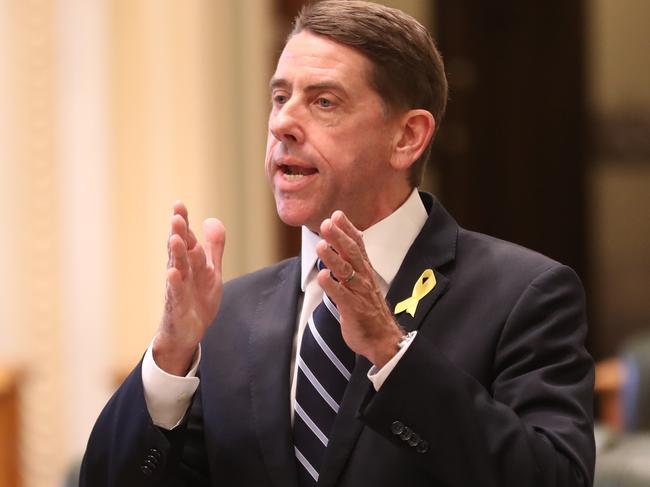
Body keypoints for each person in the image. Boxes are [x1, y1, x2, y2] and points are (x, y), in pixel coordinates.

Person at [80, 1, 595, 486]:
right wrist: (170, 354)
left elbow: (556, 478)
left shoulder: (525, 295)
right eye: (280, 97)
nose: (282, 122)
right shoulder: (228, 316)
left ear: (407, 137)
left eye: (323, 101)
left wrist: (391, 354)